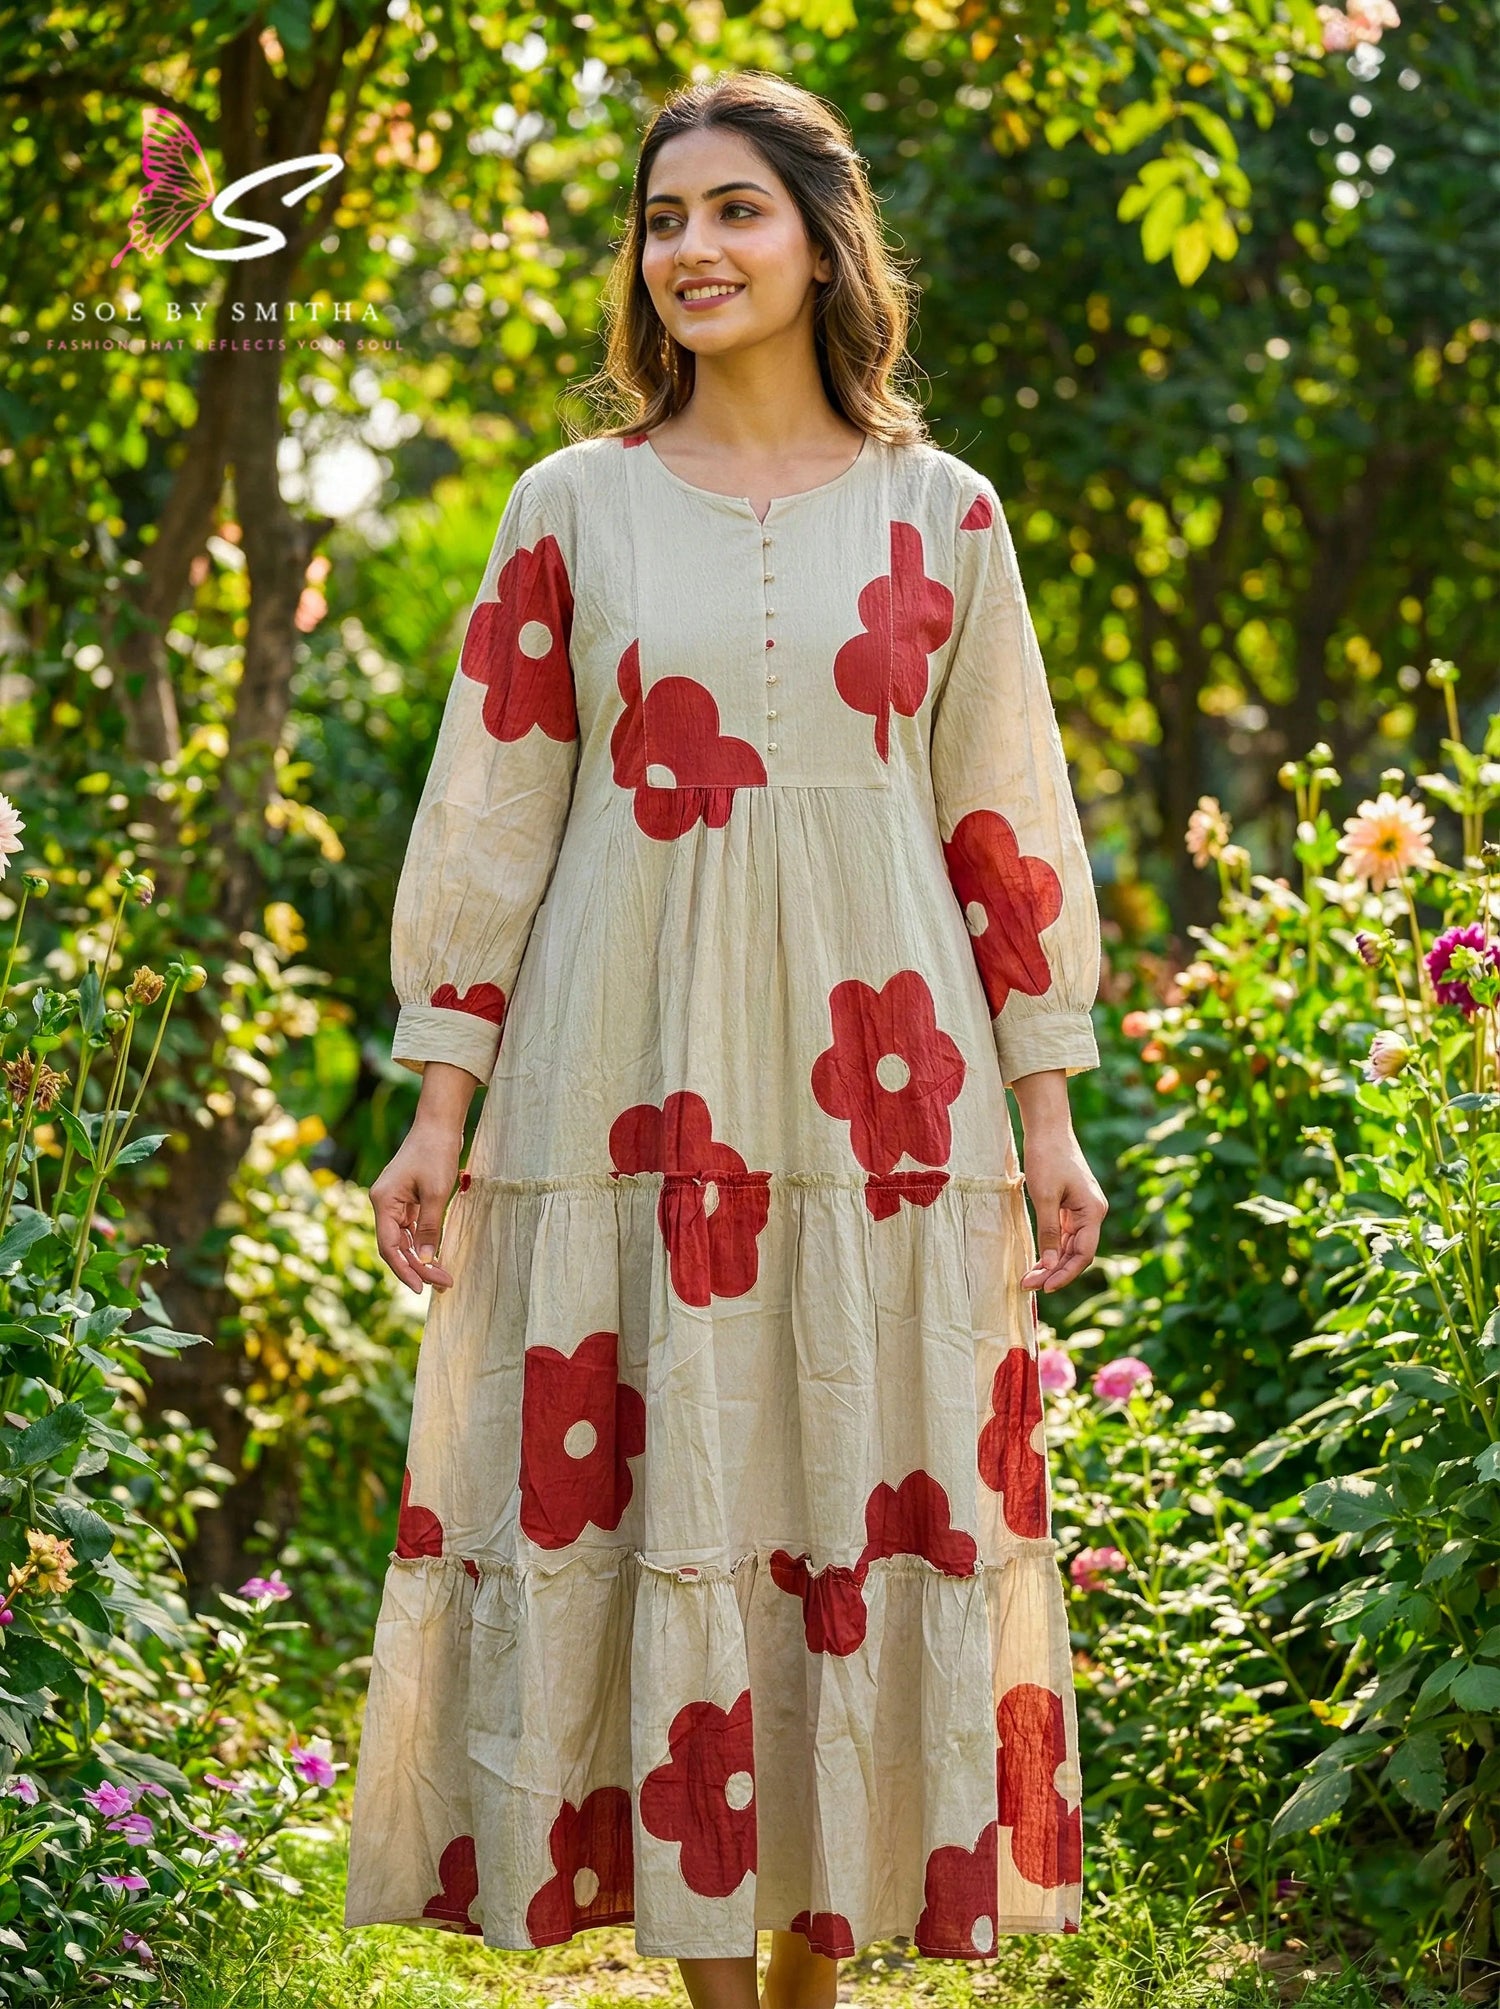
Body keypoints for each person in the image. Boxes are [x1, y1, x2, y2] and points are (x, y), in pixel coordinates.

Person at [344, 66, 1108, 2009]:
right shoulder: (568, 506)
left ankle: (815, 1984)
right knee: (676, 1482)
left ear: (822, 243)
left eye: (734, 210)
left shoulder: (946, 512)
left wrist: (1049, 1115)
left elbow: (1004, 818)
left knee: (843, 1477)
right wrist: (437, 1108)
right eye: (663, 218)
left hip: (884, 1095)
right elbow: (492, 813)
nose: (691, 248)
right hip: (625, 1077)